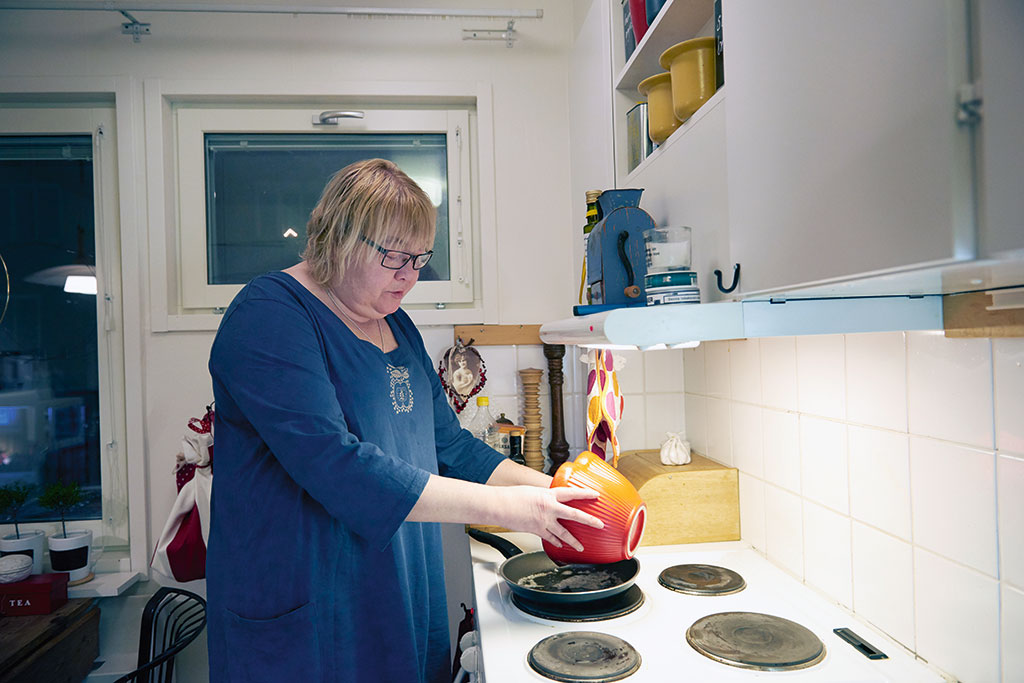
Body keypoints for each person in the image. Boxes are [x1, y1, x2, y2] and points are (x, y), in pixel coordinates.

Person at [206, 158, 602, 683]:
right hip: (311, 608)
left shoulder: (397, 324)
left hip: (397, 592)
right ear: (338, 239)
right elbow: (338, 467)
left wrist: (559, 492)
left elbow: (451, 447)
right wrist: (517, 510)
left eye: (420, 258)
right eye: (395, 256)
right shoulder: (270, 316)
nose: (410, 276)